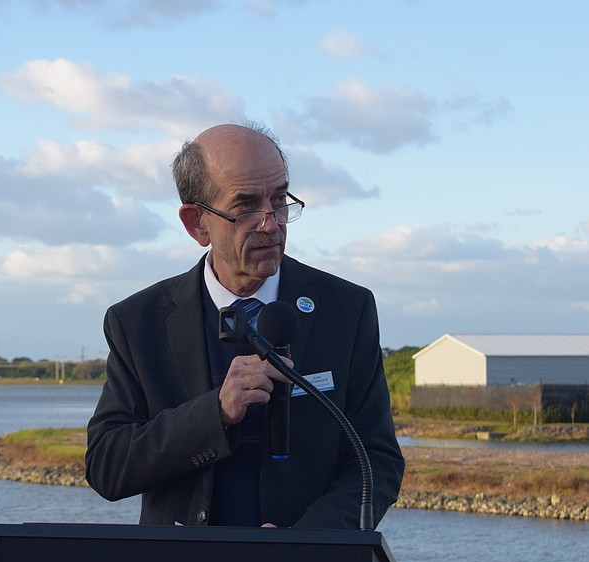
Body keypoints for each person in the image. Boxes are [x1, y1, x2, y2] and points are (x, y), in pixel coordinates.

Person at [85, 122, 404, 530]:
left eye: (279, 199)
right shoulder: (138, 322)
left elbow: (376, 457)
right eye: (246, 205)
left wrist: (308, 544)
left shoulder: (346, 309)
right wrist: (215, 412)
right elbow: (108, 467)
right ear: (197, 223)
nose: (271, 223)